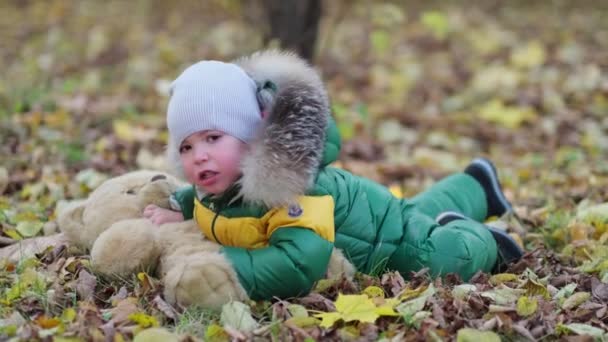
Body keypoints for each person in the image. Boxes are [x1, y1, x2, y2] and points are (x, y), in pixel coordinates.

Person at [144, 50, 523, 301]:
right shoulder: (217, 184)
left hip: (386, 241)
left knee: (440, 255)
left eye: (213, 137)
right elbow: (217, 203)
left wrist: (225, 266)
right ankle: (476, 184)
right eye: (186, 147)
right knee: (414, 210)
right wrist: (182, 204)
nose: (200, 155)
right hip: (375, 212)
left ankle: (482, 238)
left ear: (253, 134)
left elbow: (298, 264)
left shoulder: (292, 192)